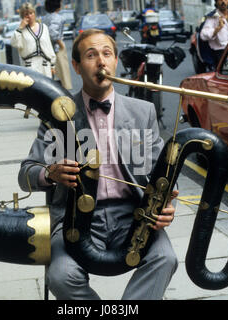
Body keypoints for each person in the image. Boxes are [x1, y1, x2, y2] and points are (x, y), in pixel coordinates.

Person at [18, 29, 179, 300]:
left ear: (116, 61)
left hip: (133, 215)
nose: (101, 62)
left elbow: (160, 175)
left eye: (107, 54)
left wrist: (166, 205)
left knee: (165, 259)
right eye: (91, 56)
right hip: (74, 218)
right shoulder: (58, 113)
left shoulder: (143, 112)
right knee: (60, 276)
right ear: (77, 67)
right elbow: (25, 174)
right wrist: (50, 173)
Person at [11, 3, 56, 78]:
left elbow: (49, 46)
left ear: (34, 13)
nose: (29, 16)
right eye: (26, 14)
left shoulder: (44, 27)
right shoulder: (21, 31)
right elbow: (14, 43)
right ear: (23, 17)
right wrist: (20, 28)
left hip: (45, 65)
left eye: (31, 13)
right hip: (30, 66)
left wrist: (52, 65)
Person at [199, 0, 228, 70]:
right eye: (220, 0)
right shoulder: (212, 17)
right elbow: (203, 35)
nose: (223, 2)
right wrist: (218, 28)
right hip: (219, 54)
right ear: (216, 2)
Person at [43, 0, 73, 90]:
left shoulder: (45, 18)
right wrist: (61, 44)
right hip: (57, 46)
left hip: (48, 47)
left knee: (53, 70)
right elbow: (53, 32)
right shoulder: (57, 17)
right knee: (62, 71)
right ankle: (64, 90)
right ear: (57, 5)